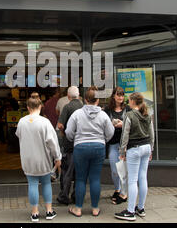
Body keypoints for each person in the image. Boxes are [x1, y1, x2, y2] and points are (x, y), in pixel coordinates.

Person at [65, 87, 114, 217]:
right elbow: (110, 133)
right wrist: (102, 140)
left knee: (80, 179)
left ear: (85, 100)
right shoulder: (103, 115)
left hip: (80, 148)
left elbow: (68, 132)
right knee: (95, 179)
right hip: (98, 147)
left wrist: (74, 139)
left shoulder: (77, 114)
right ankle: (95, 208)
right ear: (97, 100)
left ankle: (78, 209)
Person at [16, 97, 62, 222]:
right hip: (43, 159)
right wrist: (57, 157)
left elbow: (18, 135)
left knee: (32, 184)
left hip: (28, 159)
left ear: (28, 107)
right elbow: (52, 142)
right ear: (41, 106)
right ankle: (48, 211)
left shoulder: (21, 122)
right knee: (46, 183)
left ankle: (34, 213)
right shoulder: (45, 122)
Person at [115, 92, 155, 221]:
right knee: (143, 177)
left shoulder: (129, 115)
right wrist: (151, 149)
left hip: (135, 149)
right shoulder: (147, 114)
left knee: (132, 180)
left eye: (129, 100)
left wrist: (122, 151)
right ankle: (141, 208)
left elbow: (125, 135)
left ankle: (130, 211)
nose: (128, 101)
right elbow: (151, 134)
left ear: (133, 101)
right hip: (146, 148)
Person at [56, 86, 83, 205]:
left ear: (68, 96)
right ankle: (76, 196)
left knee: (67, 171)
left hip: (69, 144)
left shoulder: (67, 107)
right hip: (82, 144)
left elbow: (60, 125)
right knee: (79, 172)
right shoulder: (84, 107)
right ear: (78, 95)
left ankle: (64, 196)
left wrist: (63, 134)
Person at [104, 87, 130, 205]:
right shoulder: (107, 110)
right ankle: (117, 189)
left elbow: (133, 123)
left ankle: (123, 193)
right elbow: (102, 124)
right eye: (118, 95)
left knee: (124, 170)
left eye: (122, 95)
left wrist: (122, 124)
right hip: (113, 143)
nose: (120, 97)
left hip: (125, 144)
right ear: (113, 96)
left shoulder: (128, 109)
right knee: (115, 170)